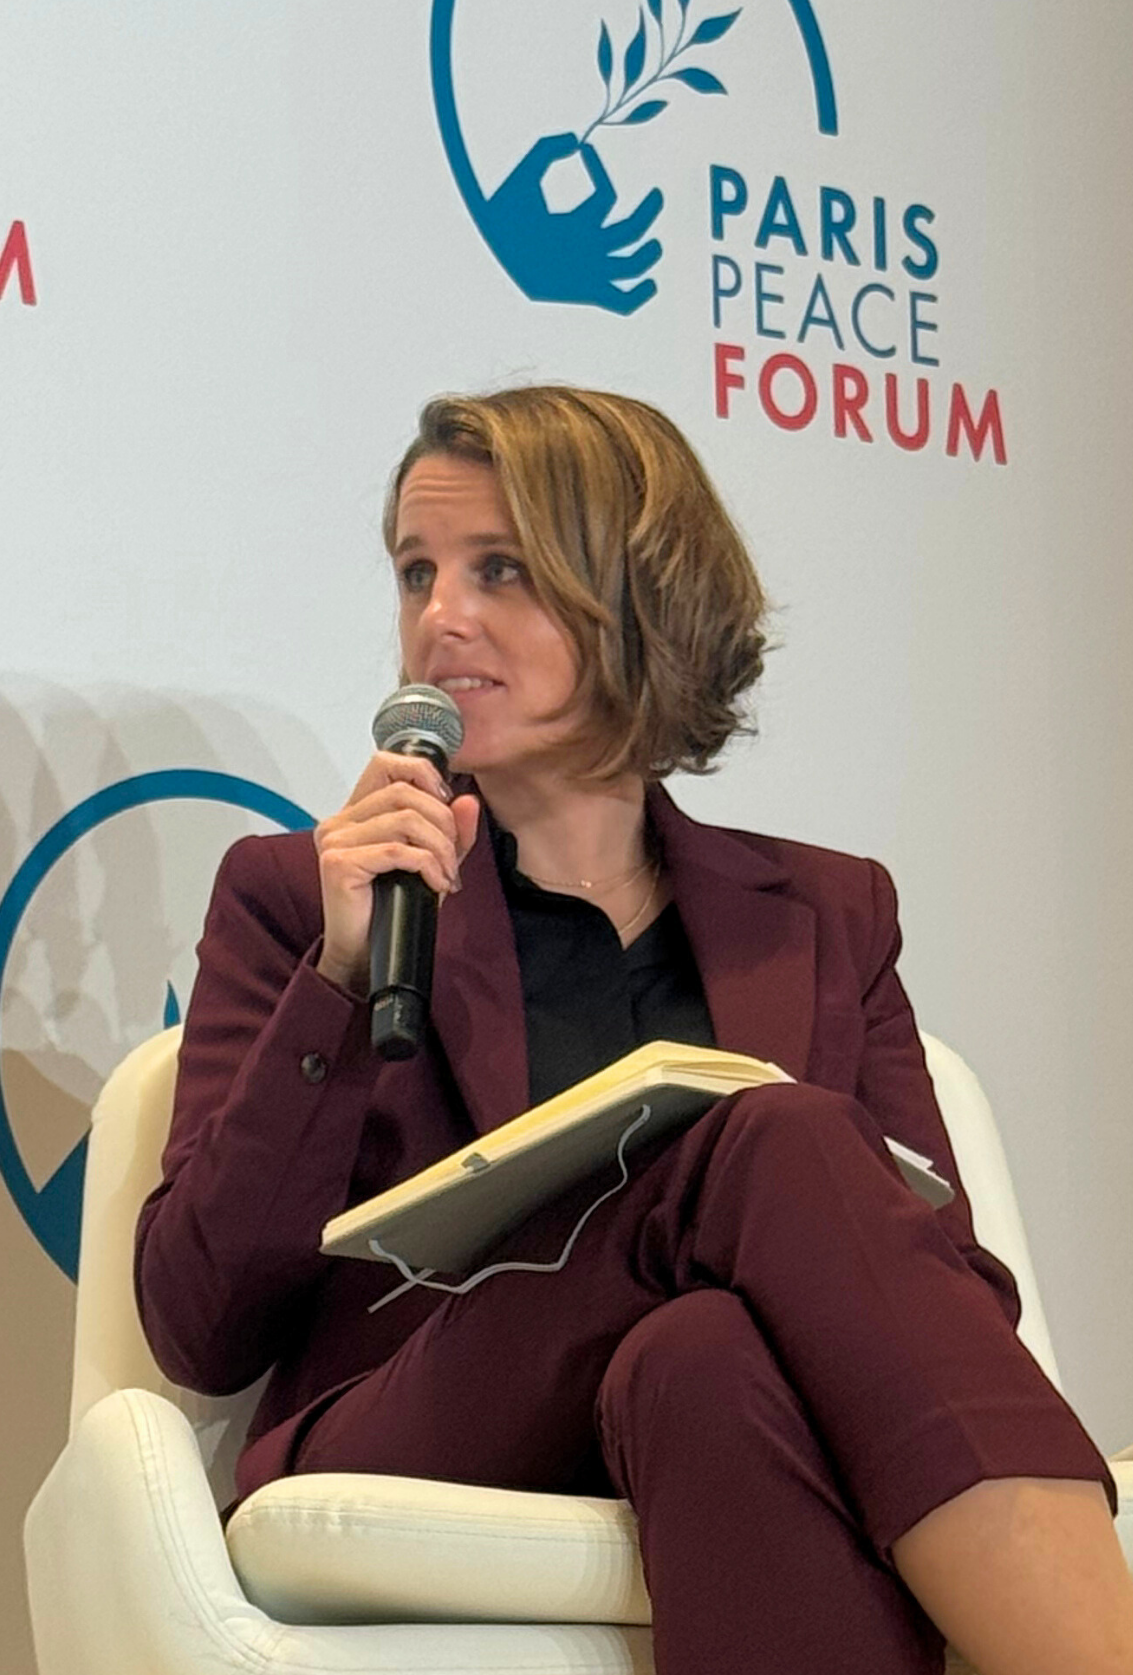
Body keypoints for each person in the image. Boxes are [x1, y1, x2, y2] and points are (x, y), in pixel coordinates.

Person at [134, 387, 1133, 1675]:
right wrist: (338, 973)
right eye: (417, 573)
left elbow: (947, 1288)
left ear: (640, 595)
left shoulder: (828, 915)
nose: (439, 620)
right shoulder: (300, 896)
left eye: (501, 569)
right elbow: (200, 1322)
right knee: (771, 1140)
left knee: (706, 1357)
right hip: (418, 1418)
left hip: (699, 1407)